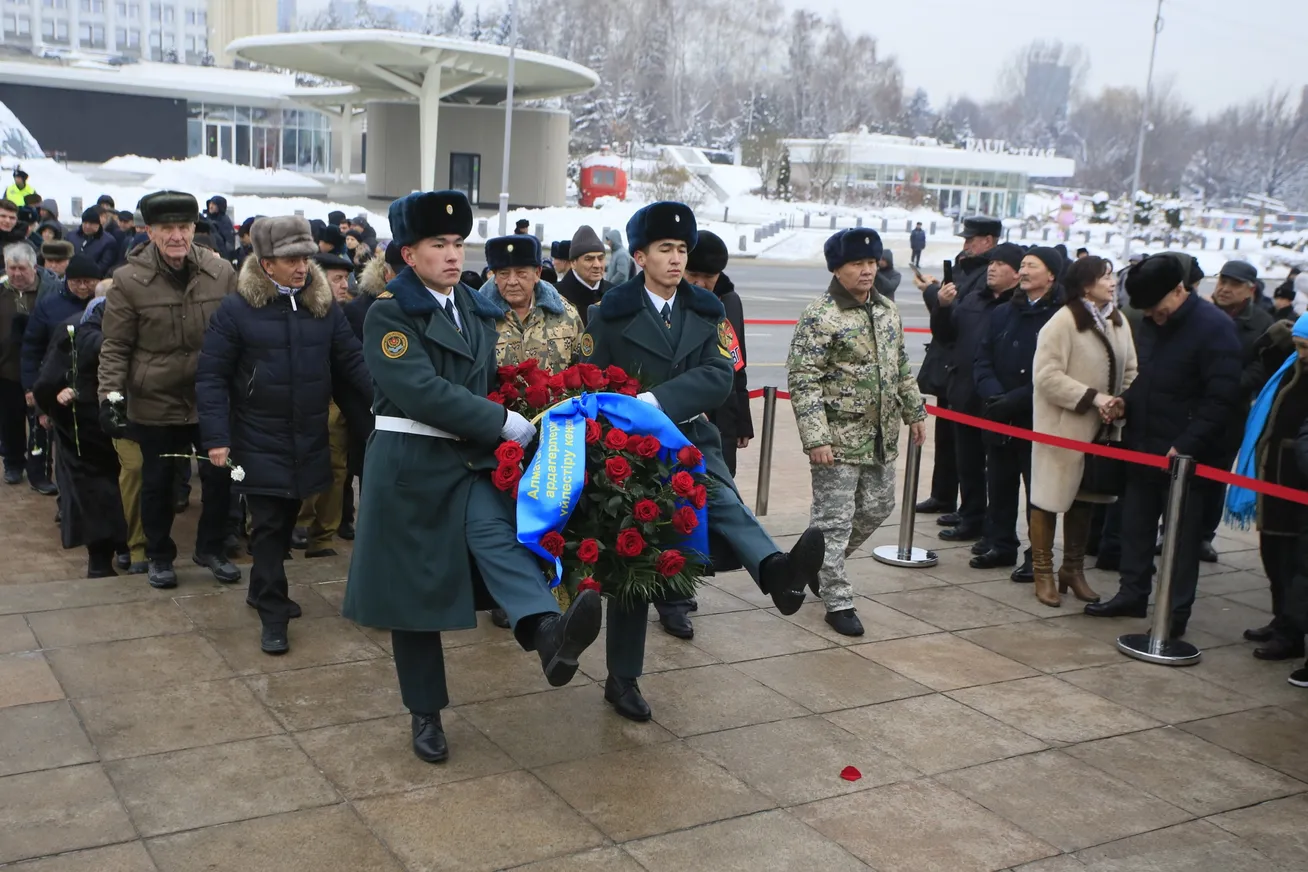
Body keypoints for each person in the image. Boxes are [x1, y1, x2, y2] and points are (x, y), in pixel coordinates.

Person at [342, 190, 603, 763]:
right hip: (411, 464)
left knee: (496, 534)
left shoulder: (471, 306)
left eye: (458, 243)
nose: (453, 254)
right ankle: (425, 713)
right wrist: (501, 421)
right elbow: (421, 391)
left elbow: (488, 379)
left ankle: (545, 631)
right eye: (438, 244)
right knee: (413, 599)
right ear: (409, 254)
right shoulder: (390, 312)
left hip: (470, 459)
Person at [579, 200, 825, 720]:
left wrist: (656, 400)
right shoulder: (609, 314)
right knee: (634, 561)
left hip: (690, 436)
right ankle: (622, 678)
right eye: (664, 249)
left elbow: (720, 375)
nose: (676, 259)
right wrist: (635, 413)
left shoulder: (707, 310)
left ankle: (777, 572)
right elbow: (589, 380)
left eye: (682, 249)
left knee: (724, 500)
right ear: (640, 256)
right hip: (631, 449)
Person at [197, 217, 372, 655]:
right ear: (266, 263)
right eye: (291, 260)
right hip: (257, 435)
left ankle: (260, 588)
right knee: (269, 525)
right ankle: (273, 614)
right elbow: (212, 376)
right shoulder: (237, 309)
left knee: (289, 514)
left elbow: (351, 361)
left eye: (305, 258)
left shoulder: (323, 306)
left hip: (307, 433)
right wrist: (216, 437)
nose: (301, 267)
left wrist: (388, 400)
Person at [1085, 255, 1241, 636]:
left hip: (1187, 457)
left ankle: (1174, 613)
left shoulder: (1215, 329)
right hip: (1144, 445)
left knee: (1180, 541)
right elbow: (1149, 378)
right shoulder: (1154, 324)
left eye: (1158, 308)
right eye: (1147, 311)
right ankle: (1132, 593)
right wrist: (1125, 403)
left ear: (1179, 290)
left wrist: (1186, 444)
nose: (1154, 316)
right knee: (1135, 527)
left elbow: (1221, 399)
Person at [97, 190, 240, 590]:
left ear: (194, 228)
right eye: (167, 228)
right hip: (155, 399)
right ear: (150, 232)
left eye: (184, 227)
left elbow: (237, 334)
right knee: (157, 482)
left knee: (220, 478)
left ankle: (211, 548)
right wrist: (111, 398)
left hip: (209, 398)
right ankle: (159, 555)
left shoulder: (220, 272)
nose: (177, 236)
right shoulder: (128, 280)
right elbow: (116, 346)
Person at [788, 229, 927, 636]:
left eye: (871, 263)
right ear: (837, 268)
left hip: (880, 435)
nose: (867, 271)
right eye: (857, 264)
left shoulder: (886, 310)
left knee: (878, 506)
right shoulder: (821, 315)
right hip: (837, 439)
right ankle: (837, 599)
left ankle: (813, 563)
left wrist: (915, 410)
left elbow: (900, 365)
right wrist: (816, 438)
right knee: (834, 521)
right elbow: (803, 379)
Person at [478, 233, 584, 629]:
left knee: (554, 514)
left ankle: (556, 588)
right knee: (504, 518)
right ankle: (506, 596)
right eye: (502, 273)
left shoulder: (565, 315)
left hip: (554, 436)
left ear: (538, 272)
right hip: (497, 435)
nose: (511, 282)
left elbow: (581, 371)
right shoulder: (477, 315)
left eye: (521, 272)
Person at [1029, 255, 1137, 609]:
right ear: (1085, 285)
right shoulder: (1062, 322)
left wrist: (1122, 401)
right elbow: (1046, 376)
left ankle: (1072, 570)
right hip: (1061, 429)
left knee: (1086, 498)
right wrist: (1093, 398)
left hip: (1100, 430)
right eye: (1105, 277)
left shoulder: (1118, 321)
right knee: (1048, 500)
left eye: (1112, 276)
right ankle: (1042, 572)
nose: (1112, 282)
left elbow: (1131, 370)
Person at [970, 247, 1065, 583]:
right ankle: (1000, 544)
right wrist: (994, 394)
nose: (1023, 272)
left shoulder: (1062, 317)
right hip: (999, 413)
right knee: (999, 483)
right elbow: (983, 359)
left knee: (1038, 492)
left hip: (1036, 417)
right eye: (1022, 266)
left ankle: (1037, 555)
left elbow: (1058, 372)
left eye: (1031, 266)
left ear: (1051, 275)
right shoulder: (1003, 312)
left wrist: (1017, 399)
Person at [1225, 314, 1308, 663]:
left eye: (1306, 347)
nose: (1301, 353)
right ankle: (1280, 619)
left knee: (1294, 562)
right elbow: (1258, 355)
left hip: (1296, 481)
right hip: (1271, 476)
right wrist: (1277, 335)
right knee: (1272, 554)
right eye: (1298, 346)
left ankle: (1291, 633)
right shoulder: (1291, 364)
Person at [928, 239, 1023, 545]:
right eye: (991, 263)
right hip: (964, 394)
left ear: (1017, 273)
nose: (992, 269)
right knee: (967, 464)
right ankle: (970, 517)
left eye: (1000, 264)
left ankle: (997, 530)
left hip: (997, 400)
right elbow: (946, 334)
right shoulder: (973, 300)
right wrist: (942, 307)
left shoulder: (1017, 307)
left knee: (998, 473)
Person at [32, 282, 128, 577]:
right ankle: (119, 550)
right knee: (115, 488)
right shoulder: (77, 330)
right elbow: (48, 381)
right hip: (100, 425)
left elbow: (47, 381)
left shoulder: (75, 327)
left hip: (85, 427)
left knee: (95, 494)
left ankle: (104, 557)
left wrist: (51, 405)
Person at [913, 217, 1001, 521]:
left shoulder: (984, 274)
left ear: (988, 241)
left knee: (966, 447)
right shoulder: (968, 267)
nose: (966, 245)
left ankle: (968, 508)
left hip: (964, 368)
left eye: (971, 240)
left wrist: (931, 293)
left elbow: (959, 309)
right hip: (948, 367)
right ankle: (943, 494)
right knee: (947, 438)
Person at [1202, 260, 1276, 563]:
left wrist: (1228, 386)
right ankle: (1171, 530)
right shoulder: (1202, 313)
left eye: (1233, 284)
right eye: (1222, 281)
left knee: (1216, 475)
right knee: (1181, 472)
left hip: (1231, 411)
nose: (1224, 289)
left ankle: (1204, 536)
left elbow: (1262, 368)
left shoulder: (1262, 323)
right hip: (1195, 405)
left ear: (1250, 289)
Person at [289, 252, 360, 561]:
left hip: (338, 401)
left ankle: (323, 534)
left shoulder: (349, 312)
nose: (344, 285)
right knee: (303, 463)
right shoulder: (299, 310)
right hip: (303, 400)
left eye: (346, 278)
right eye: (337, 279)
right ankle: (299, 523)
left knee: (337, 469)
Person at [1, 243, 58, 493]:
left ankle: (40, 474)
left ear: (34, 267)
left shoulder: (51, 291)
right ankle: (13, 463)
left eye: (21, 268)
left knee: (40, 424)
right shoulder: (1, 291)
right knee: (9, 421)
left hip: (40, 370)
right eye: (11, 268)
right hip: (6, 369)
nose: (16, 274)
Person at [22, 254, 98, 404]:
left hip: (93, 383)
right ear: (67, 280)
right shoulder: (48, 305)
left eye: (88, 282)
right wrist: (31, 386)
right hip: (56, 380)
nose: (83, 286)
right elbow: (32, 348)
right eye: (77, 282)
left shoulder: (105, 304)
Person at [557, 226, 612, 327]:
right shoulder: (556, 296)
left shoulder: (614, 294)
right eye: (589, 259)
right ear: (573, 263)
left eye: (600, 258)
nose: (597, 265)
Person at [68, 207, 117, 278]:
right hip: (71, 276)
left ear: (98, 224)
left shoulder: (108, 241)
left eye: (91, 223)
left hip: (94, 278)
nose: (87, 226)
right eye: (85, 223)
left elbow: (105, 264)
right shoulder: (71, 236)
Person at [205, 196, 237, 261]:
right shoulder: (207, 219)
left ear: (220, 207)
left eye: (214, 204)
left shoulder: (224, 221)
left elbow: (229, 242)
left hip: (221, 256)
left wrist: (225, 258)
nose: (211, 206)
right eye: (210, 204)